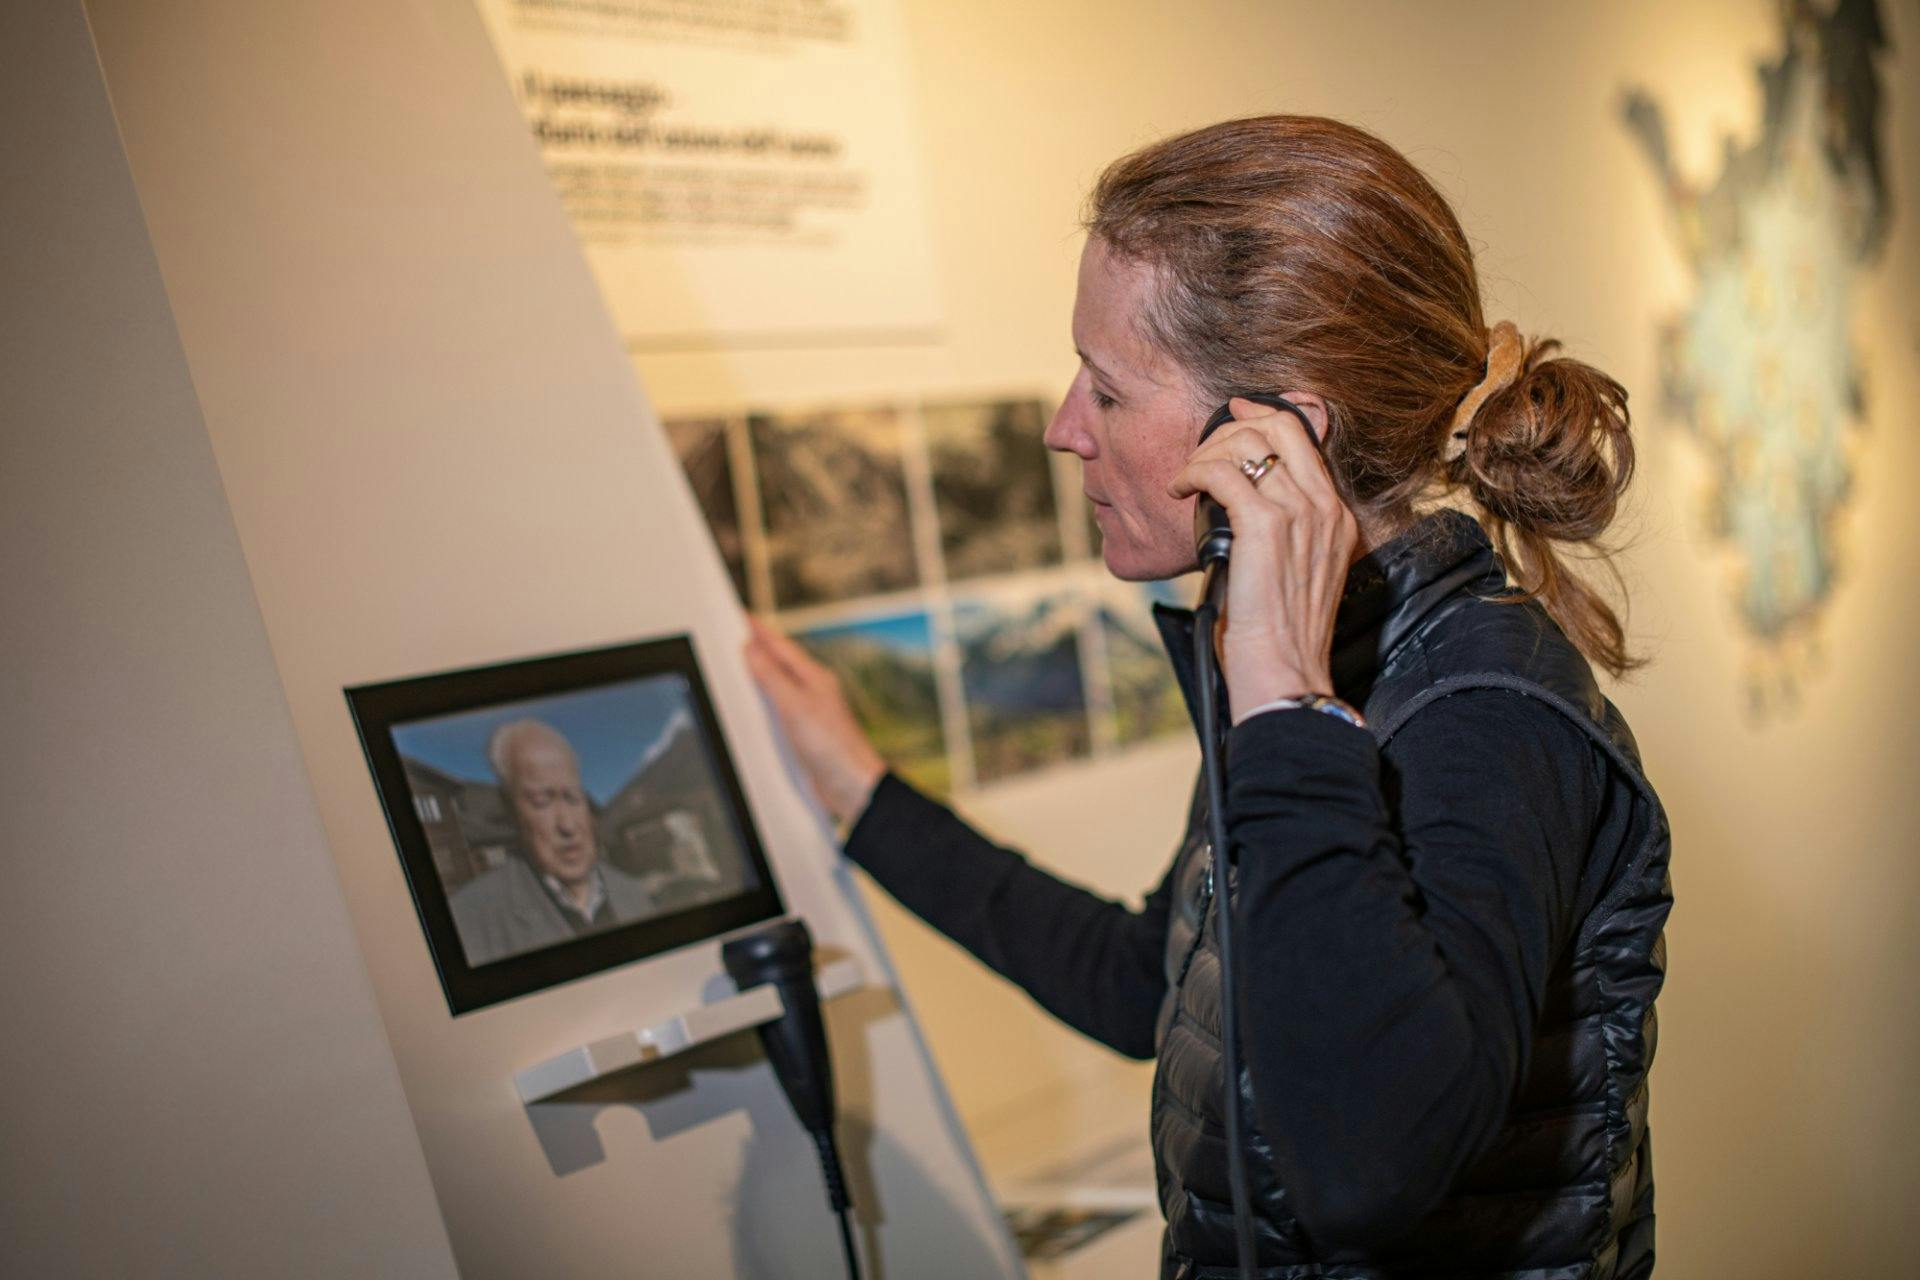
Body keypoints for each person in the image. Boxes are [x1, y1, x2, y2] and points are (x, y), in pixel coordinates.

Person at [746, 115, 1670, 1279]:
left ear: (1274, 441)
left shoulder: (1485, 708)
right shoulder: (1323, 658)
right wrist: (862, 792)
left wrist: (1283, 705)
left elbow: (1371, 1166)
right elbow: (1155, 984)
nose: (1063, 427)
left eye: (1108, 388)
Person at [448, 718, 656, 966]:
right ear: (511, 810)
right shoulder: (467, 920)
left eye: (573, 797)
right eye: (541, 801)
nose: (567, 826)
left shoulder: (634, 894)